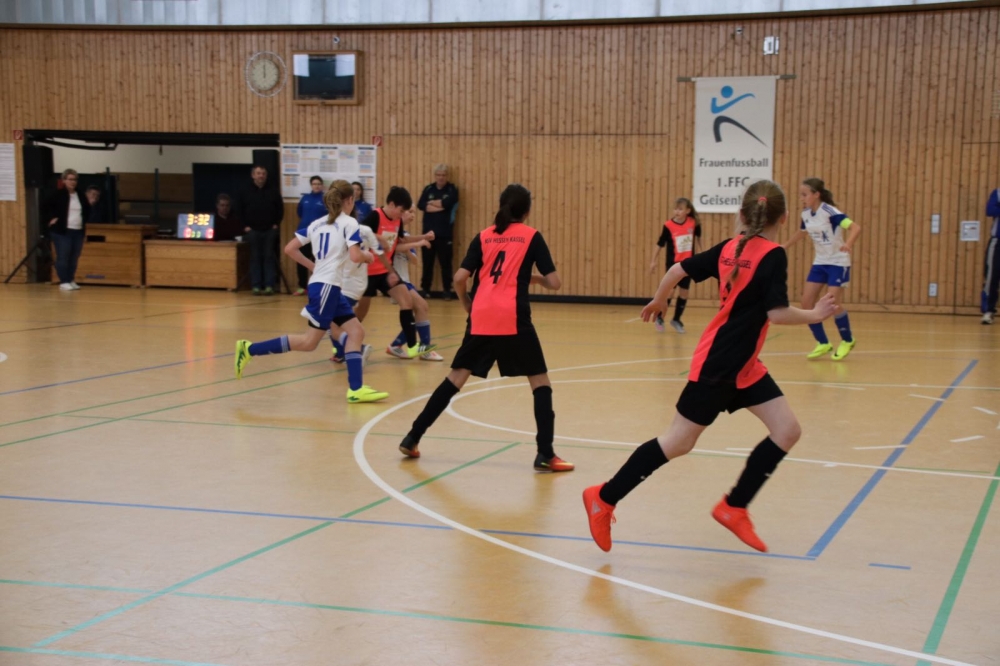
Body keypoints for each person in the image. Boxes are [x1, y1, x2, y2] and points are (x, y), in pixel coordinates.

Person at [583, 180, 839, 554]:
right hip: (718, 365)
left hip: (743, 365)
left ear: (742, 214)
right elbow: (777, 313)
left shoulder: (729, 248)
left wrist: (659, 300)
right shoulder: (772, 255)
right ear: (784, 218)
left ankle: (734, 507)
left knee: (787, 430)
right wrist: (815, 314)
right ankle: (603, 498)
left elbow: (677, 270)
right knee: (678, 442)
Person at [398, 184, 574, 473]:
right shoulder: (531, 236)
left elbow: (459, 278)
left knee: (456, 378)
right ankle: (545, 453)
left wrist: (468, 304)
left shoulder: (484, 236)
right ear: (527, 211)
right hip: (512, 317)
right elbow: (554, 283)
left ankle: (412, 437)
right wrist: (537, 279)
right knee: (540, 382)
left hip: (481, 315)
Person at [234, 180, 388, 404]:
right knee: (309, 342)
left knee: (356, 332)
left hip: (326, 286)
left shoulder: (317, 224)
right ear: (349, 200)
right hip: (327, 287)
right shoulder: (350, 223)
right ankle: (249, 349)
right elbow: (356, 256)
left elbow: (290, 248)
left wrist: (313, 266)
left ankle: (356, 389)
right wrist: (367, 256)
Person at [782, 178, 861, 360]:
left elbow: (855, 227)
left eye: (804, 195)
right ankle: (823, 342)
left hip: (838, 262)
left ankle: (847, 340)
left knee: (832, 304)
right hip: (820, 262)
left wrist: (848, 244)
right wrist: (785, 245)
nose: (802, 198)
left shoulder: (830, 212)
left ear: (816, 194)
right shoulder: (806, 214)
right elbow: (803, 232)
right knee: (806, 303)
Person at [354, 186, 435, 360]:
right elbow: (359, 233)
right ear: (391, 204)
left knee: (407, 301)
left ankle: (412, 346)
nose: (403, 214)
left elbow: (402, 239)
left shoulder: (397, 220)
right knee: (360, 313)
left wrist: (423, 237)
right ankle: (341, 342)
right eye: (401, 210)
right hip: (367, 273)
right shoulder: (375, 216)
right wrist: (378, 237)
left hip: (385, 271)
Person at [385, 206, 444, 361]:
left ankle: (396, 345)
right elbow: (393, 248)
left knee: (419, 310)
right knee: (422, 306)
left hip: (404, 279)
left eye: (413, 212)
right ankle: (424, 349)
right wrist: (418, 243)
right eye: (409, 211)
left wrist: (409, 248)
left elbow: (415, 260)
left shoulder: (406, 235)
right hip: (394, 280)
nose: (412, 215)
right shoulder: (392, 231)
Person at [648, 197, 702, 333]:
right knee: (670, 292)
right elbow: (660, 243)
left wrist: (702, 257)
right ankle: (660, 318)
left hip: (688, 264)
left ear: (687, 211)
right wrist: (653, 261)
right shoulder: (668, 226)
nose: (677, 211)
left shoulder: (693, 223)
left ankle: (676, 320)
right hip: (673, 265)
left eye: (680, 209)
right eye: (675, 209)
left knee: (684, 293)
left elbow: (698, 240)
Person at [237, 165, 284, 296]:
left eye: (263, 173)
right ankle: (256, 285)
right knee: (255, 257)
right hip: (252, 230)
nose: (261, 176)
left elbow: (280, 209)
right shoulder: (244, 191)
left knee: (269, 257)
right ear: (253, 175)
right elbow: (239, 210)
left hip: (269, 230)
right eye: (258, 173)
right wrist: (245, 226)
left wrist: (276, 224)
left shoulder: (273, 191)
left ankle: (269, 285)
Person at [417, 164, 459, 300]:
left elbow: (448, 203)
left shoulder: (452, 189)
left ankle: (447, 290)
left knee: (446, 263)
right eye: (438, 175)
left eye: (443, 175)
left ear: (447, 176)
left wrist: (431, 204)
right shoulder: (428, 189)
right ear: (435, 176)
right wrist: (440, 206)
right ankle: (425, 289)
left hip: (445, 233)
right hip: (428, 234)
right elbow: (421, 205)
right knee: (427, 263)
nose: (441, 177)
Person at [45, 168, 91, 291]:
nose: (73, 182)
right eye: (70, 179)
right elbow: (45, 207)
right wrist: (51, 219)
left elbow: (86, 210)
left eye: (75, 180)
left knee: (74, 257)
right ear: (64, 180)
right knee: (63, 256)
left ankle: (70, 279)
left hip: (78, 230)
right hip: (62, 231)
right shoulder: (58, 194)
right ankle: (64, 281)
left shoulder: (80, 195)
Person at [294, 176, 326, 296]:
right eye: (314, 184)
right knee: (301, 259)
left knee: (317, 261)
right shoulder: (305, 198)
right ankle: (302, 286)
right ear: (311, 185)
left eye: (318, 184)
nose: (316, 186)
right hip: (304, 234)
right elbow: (299, 212)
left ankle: (316, 286)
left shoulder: (325, 199)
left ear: (322, 185)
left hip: (319, 235)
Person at [981, 188, 1000, 324]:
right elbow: (990, 210)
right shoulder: (998, 193)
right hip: (998, 241)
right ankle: (988, 311)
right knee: (991, 277)